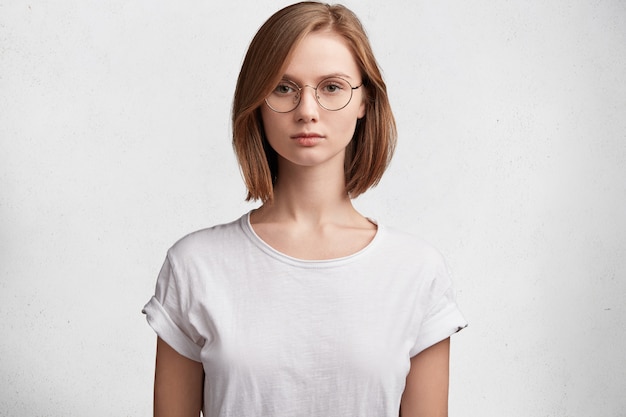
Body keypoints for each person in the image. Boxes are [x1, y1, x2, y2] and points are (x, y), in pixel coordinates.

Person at [142, 2, 467, 416]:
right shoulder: (196, 265)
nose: (307, 111)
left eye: (332, 87)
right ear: (256, 102)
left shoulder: (417, 271)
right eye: (283, 88)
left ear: (364, 100)